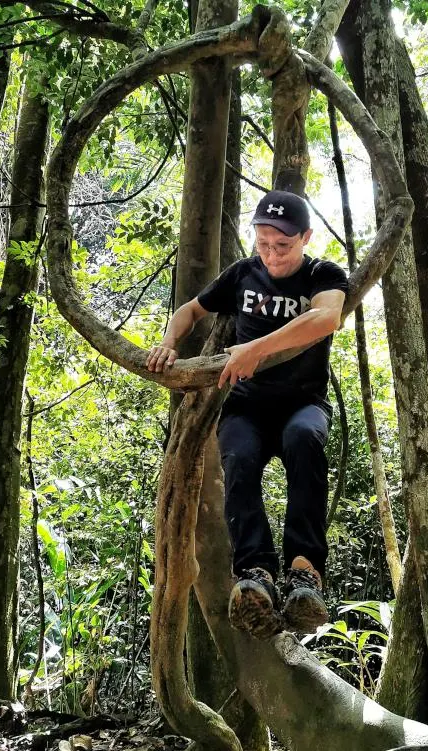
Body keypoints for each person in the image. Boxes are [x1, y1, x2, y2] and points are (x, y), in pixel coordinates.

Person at [146, 190, 348, 639]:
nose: (271, 255)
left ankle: (304, 573)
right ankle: (255, 573)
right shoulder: (242, 274)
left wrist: (256, 347)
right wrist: (169, 343)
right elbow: (191, 310)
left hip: (303, 403)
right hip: (247, 407)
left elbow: (326, 318)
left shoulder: (323, 274)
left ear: (305, 238)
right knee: (237, 459)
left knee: (305, 441)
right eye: (263, 244)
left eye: (282, 246)